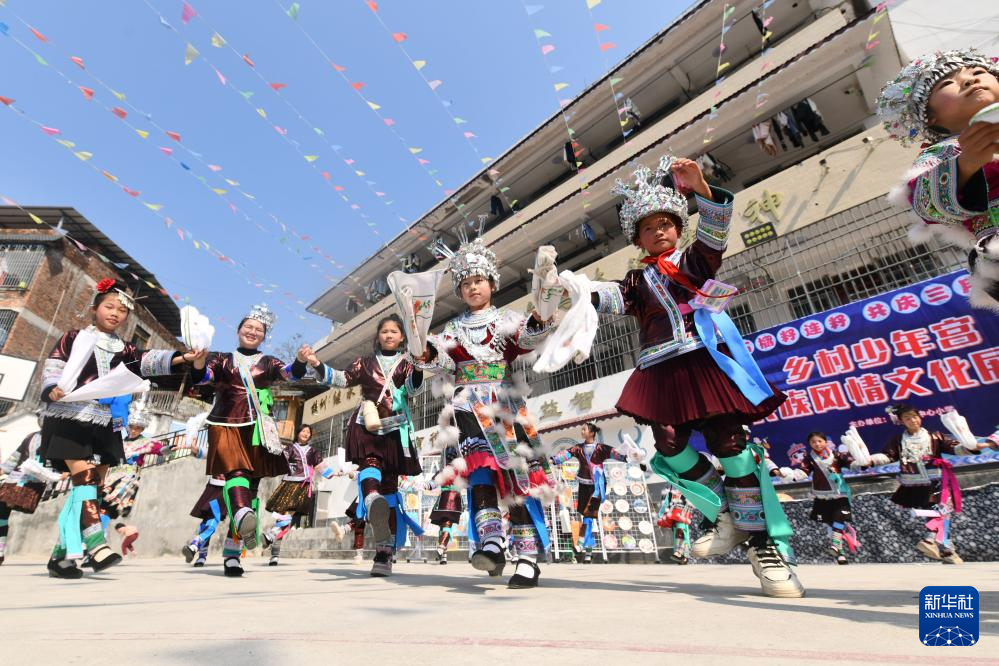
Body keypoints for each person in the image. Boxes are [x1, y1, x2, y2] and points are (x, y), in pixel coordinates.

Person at [592, 154, 801, 597]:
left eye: (666, 223)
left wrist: (703, 191)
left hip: (703, 360)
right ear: (637, 239)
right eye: (648, 228)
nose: (658, 232)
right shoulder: (635, 282)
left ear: (678, 227)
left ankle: (765, 550)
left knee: (730, 444)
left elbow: (714, 238)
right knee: (668, 443)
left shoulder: (693, 261)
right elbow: (606, 299)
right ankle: (725, 511)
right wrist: (569, 290)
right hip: (660, 369)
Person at [415, 235, 557, 589]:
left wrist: (543, 311)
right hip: (467, 409)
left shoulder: (507, 319)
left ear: (492, 283)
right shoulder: (453, 329)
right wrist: (422, 349)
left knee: (515, 479)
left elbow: (528, 338)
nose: (473, 287)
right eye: (465, 283)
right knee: (479, 475)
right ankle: (491, 543)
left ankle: (527, 557)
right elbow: (441, 361)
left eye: (478, 280)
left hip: (504, 408)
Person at [39, 278, 195, 579]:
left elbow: (148, 361)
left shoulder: (125, 349)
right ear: (95, 307)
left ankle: (61, 557)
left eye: (122, 311)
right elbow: (54, 364)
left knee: (90, 488)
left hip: (104, 421)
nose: (115, 313)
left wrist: (182, 357)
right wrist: (52, 388)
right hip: (69, 416)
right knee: (85, 479)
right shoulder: (74, 337)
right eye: (109, 307)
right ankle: (96, 545)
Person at [188, 303, 311, 577]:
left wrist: (301, 360)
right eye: (248, 327)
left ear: (264, 336)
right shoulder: (221, 359)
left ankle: (233, 554)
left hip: (257, 429)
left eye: (258, 329)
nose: (253, 331)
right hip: (225, 424)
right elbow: (204, 377)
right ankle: (242, 512)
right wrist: (198, 361)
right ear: (238, 330)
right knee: (236, 474)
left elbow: (289, 373)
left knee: (251, 488)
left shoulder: (268, 362)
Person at [877, 48, 999, 310]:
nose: (970, 79)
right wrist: (967, 163)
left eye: (979, 71)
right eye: (946, 84)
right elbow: (926, 204)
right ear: (931, 118)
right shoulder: (945, 152)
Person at [310, 314, 424, 577]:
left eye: (394, 331)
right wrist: (317, 364)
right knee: (369, 466)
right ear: (378, 336)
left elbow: (413, 389)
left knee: (390, 490)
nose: (389, 335)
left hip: (396, 428)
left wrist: (419, 367)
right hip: (368, 425)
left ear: (402, 337)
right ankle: (372, 500)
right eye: (384, 331)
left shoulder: (408, 363)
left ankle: (384, 553)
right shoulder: (364, 362)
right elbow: (342, 379)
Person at [869, 404, 964, 564]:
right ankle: (942, 548)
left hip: (936, 480)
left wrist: (969, 446)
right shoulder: (898, 441)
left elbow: (953, 447)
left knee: (940, 511)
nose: (913, 420)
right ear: (901, 421)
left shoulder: (935, 436)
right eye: (907, 418)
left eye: (915, 416)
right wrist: (870, 460)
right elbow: (888, 456)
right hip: (916, 484)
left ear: (920, 417)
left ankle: (936, 544)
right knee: (935, 513)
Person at [548, 423, 630, 563]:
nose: (581, 431)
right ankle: (588, 551)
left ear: (591, 433)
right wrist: (553, 460)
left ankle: (580, 544)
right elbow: (567, 454)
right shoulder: (578, 448)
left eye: (584, 429)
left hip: (597, 486)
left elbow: (615, 454)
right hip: (584, 485)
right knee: (586, 517)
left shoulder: (601, 448)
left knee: (588, 516)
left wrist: (627, 458)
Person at [261, 424, 333, 565]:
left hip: (302, 486)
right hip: (288, 485)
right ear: (298, 433)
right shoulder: (289, 449)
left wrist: (335, 473)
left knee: (288, 514)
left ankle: (271, 535)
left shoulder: (313, 451)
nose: (306, 434)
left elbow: (321, 467)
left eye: (308, 432)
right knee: (282, 518)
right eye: (303, 431)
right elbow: (279, 461)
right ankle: (274, 553)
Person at [0, 421, 64, 566]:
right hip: (16, 478)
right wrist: (3, 469)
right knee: (1, 511)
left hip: (37, 482)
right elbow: (16, 456)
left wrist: (63, 473)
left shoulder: (58, 440)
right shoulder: (31, 436)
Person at [797, 432, 858, 565]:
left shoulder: (836, 455)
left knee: (839, 518)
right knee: (831, 523)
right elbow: (804, 471)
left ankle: (835, 545)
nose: (817, 444)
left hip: (840, 493)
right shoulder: (809, 458)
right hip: (822, 495)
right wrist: (793, 475)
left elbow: (851, 463)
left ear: (825, 442)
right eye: (813, 442)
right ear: (810, 444)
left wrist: (861, 462)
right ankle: (841, 554)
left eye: (819, 441)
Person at [426, 444, 464, 565]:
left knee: (445, 524)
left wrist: (427, 485)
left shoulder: (445, 470)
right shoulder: (459, 470)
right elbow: (433, 483)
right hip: (452, 499)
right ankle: (442, 551)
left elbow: (432, 483)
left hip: (446, 499)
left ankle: (442, 548)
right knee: (445, 524)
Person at [182, 474, 228, 567]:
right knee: (205, 523)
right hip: (213, 484)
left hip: (227, 486)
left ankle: (195, 545)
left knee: (212, 522)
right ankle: (201, 555)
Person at [657, 483, 693, 564]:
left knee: (681, 529)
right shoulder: (670, 484)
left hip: (683, 507)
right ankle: (683, 556)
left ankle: (680, 553)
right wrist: (661, 514)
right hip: (674, 509)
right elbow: (666, 499)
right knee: (679, 530)